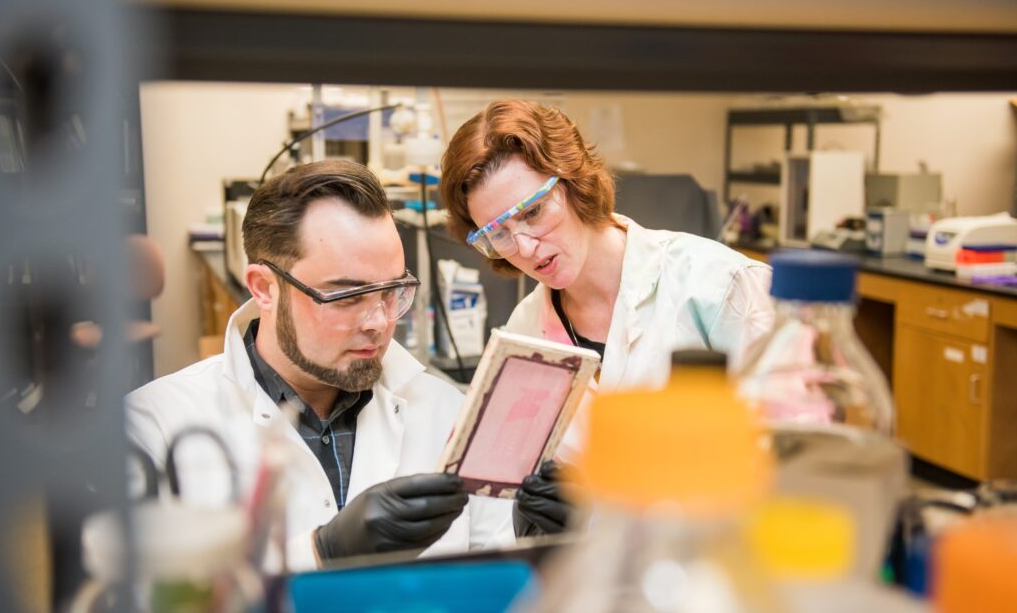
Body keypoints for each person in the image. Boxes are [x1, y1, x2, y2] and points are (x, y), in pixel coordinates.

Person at [127, 161, 518, 572]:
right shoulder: (154, 427)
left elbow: (504, 575)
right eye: (347, 297)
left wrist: (539, 534)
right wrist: (320, 552)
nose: (379, 323)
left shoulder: (451, 415)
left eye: (391, 292)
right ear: (264, 287)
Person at [439, 99, 775, 461]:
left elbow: (788, 451)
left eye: (533, 212)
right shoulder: (524, 330)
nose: (524, 247)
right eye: (498, 234)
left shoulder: (720, 285)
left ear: (573, 181)